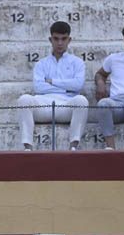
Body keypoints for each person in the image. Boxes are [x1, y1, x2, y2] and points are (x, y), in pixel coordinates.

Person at [16, 21, 89, 150]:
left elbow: (77, 86)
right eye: (56, 39)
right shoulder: (41, 64)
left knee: (81, 101)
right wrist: (67, 86)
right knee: (24, 100)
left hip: (67, 105)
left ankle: (73, 146)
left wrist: (52, 81)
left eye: (63, 39)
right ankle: (28, 147)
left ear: (69, 40)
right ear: (51, 39)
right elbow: (39, 87)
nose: (60, 43)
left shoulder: (77, 63)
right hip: (44, 104)